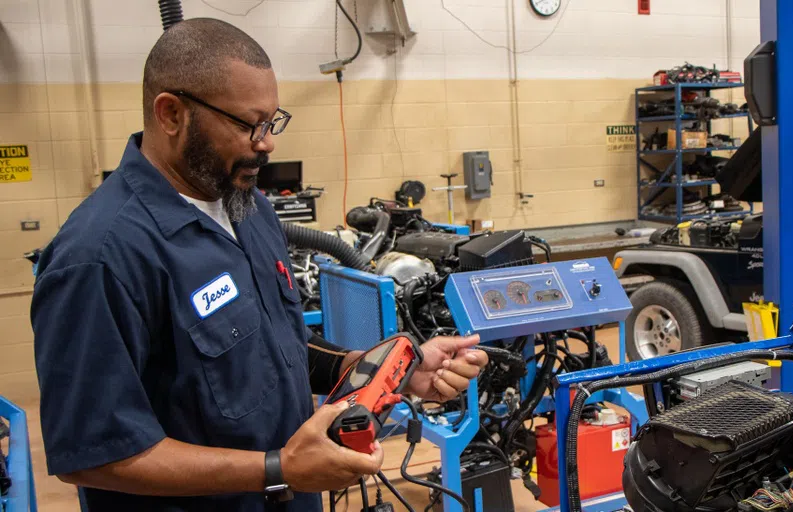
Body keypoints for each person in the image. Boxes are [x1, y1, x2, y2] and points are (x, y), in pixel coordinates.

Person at [30, 18, 488, 512]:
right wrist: (278, 470)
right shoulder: (99, 257)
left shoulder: (249, 209)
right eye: (249, 125)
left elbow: (276, 342)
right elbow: (93, 454)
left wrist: (385, 370)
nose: (267, 143)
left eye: (272, 122)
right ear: (171, 115)